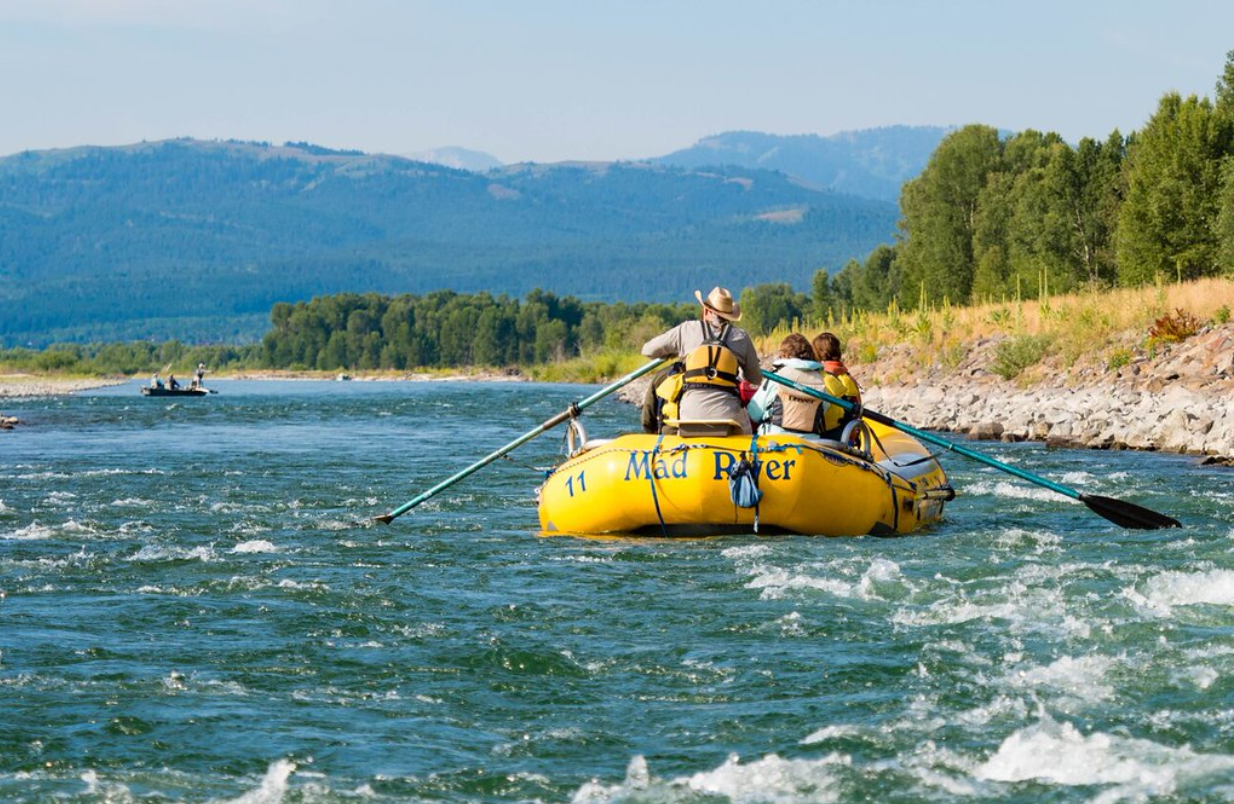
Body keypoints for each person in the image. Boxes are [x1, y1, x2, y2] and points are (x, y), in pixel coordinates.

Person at [641, 287, 762, 434]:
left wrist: (674, 352)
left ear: (705, 311)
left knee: (660, 379)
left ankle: (651, 435)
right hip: (729, 417)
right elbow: (755, 378)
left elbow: (648, 350)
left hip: (688, 414)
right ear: (730, 316)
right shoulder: (741, 337)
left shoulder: (686, 330)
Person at [747, 333, 829, 436]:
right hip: (810, 442)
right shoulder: (820, 381)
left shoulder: (776, 378)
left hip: (775, 440)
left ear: (785, 355)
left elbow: (754, 413)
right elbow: (824, 409)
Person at [813, 332, 863, 440]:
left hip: (825, 439)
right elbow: (859, 411)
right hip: (847, 438)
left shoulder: (820, 377)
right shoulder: (848, 378)